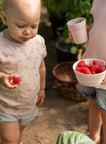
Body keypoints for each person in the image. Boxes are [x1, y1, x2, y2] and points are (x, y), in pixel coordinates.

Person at [0, 0, 47, 143]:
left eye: (34, 26)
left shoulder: (38, 41)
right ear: (5, 18)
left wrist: (42, 89)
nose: (28, 31)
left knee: (21, 131)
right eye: (21, 26)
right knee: (9, 138)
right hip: (5, 105)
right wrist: (2, 77)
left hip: (28, 102)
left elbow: (41, 67)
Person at [68, 1, 106, 144]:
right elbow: (101, 25)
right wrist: (87, 32)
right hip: (92, 65)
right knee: (92, 103)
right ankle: (93, 138)